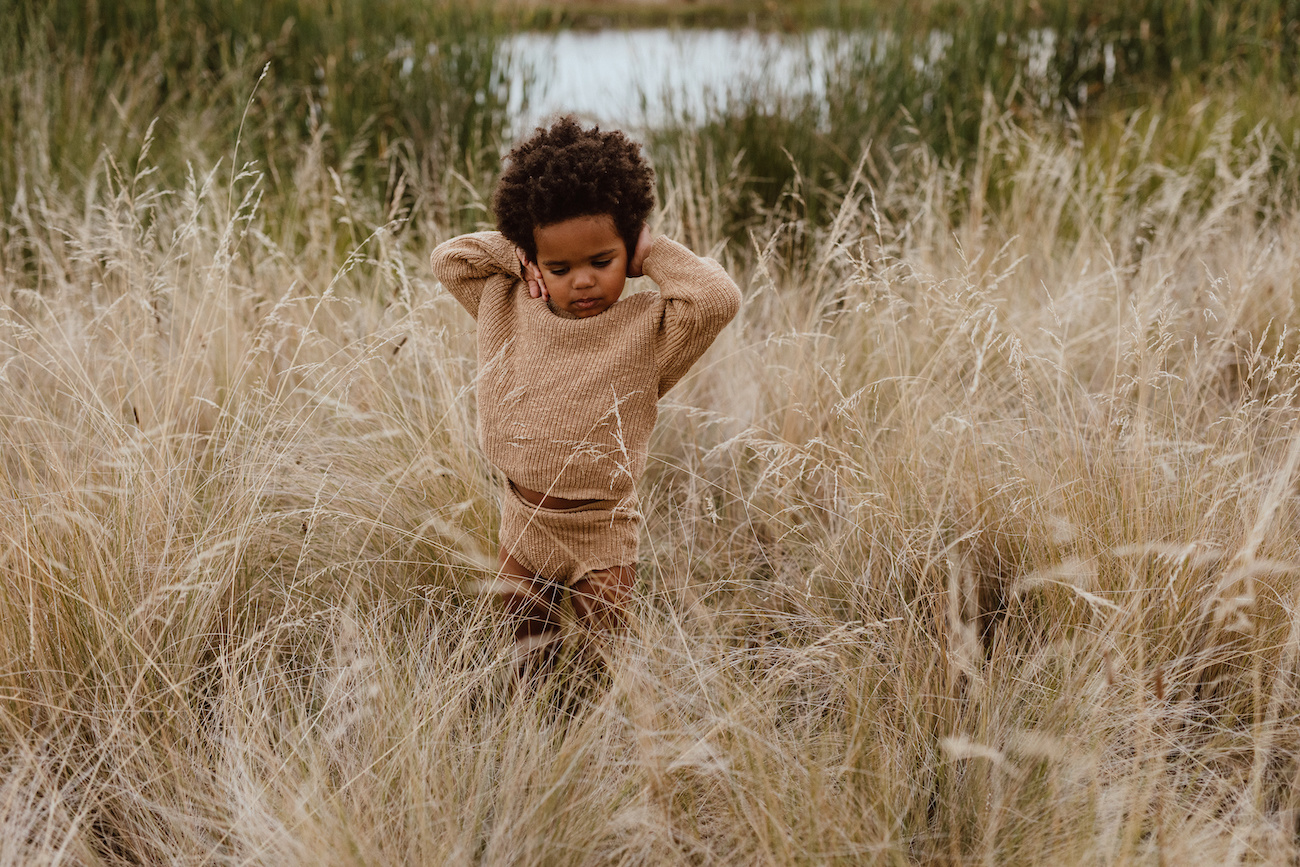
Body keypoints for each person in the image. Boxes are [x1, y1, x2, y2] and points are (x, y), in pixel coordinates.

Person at [429, 115, 741, 673]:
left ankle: (601, 746)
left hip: (601, 533)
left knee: (600, 666)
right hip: (522, 520)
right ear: (535, 261)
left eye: (603, 261)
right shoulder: (508, 307)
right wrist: (519, 253)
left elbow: (716, 299)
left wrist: (653, 250)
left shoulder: (648, 330)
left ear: (628, 249)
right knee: (527, 660)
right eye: (559, 266)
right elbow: (450, 259)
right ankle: (534, 743)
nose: (583, 281)